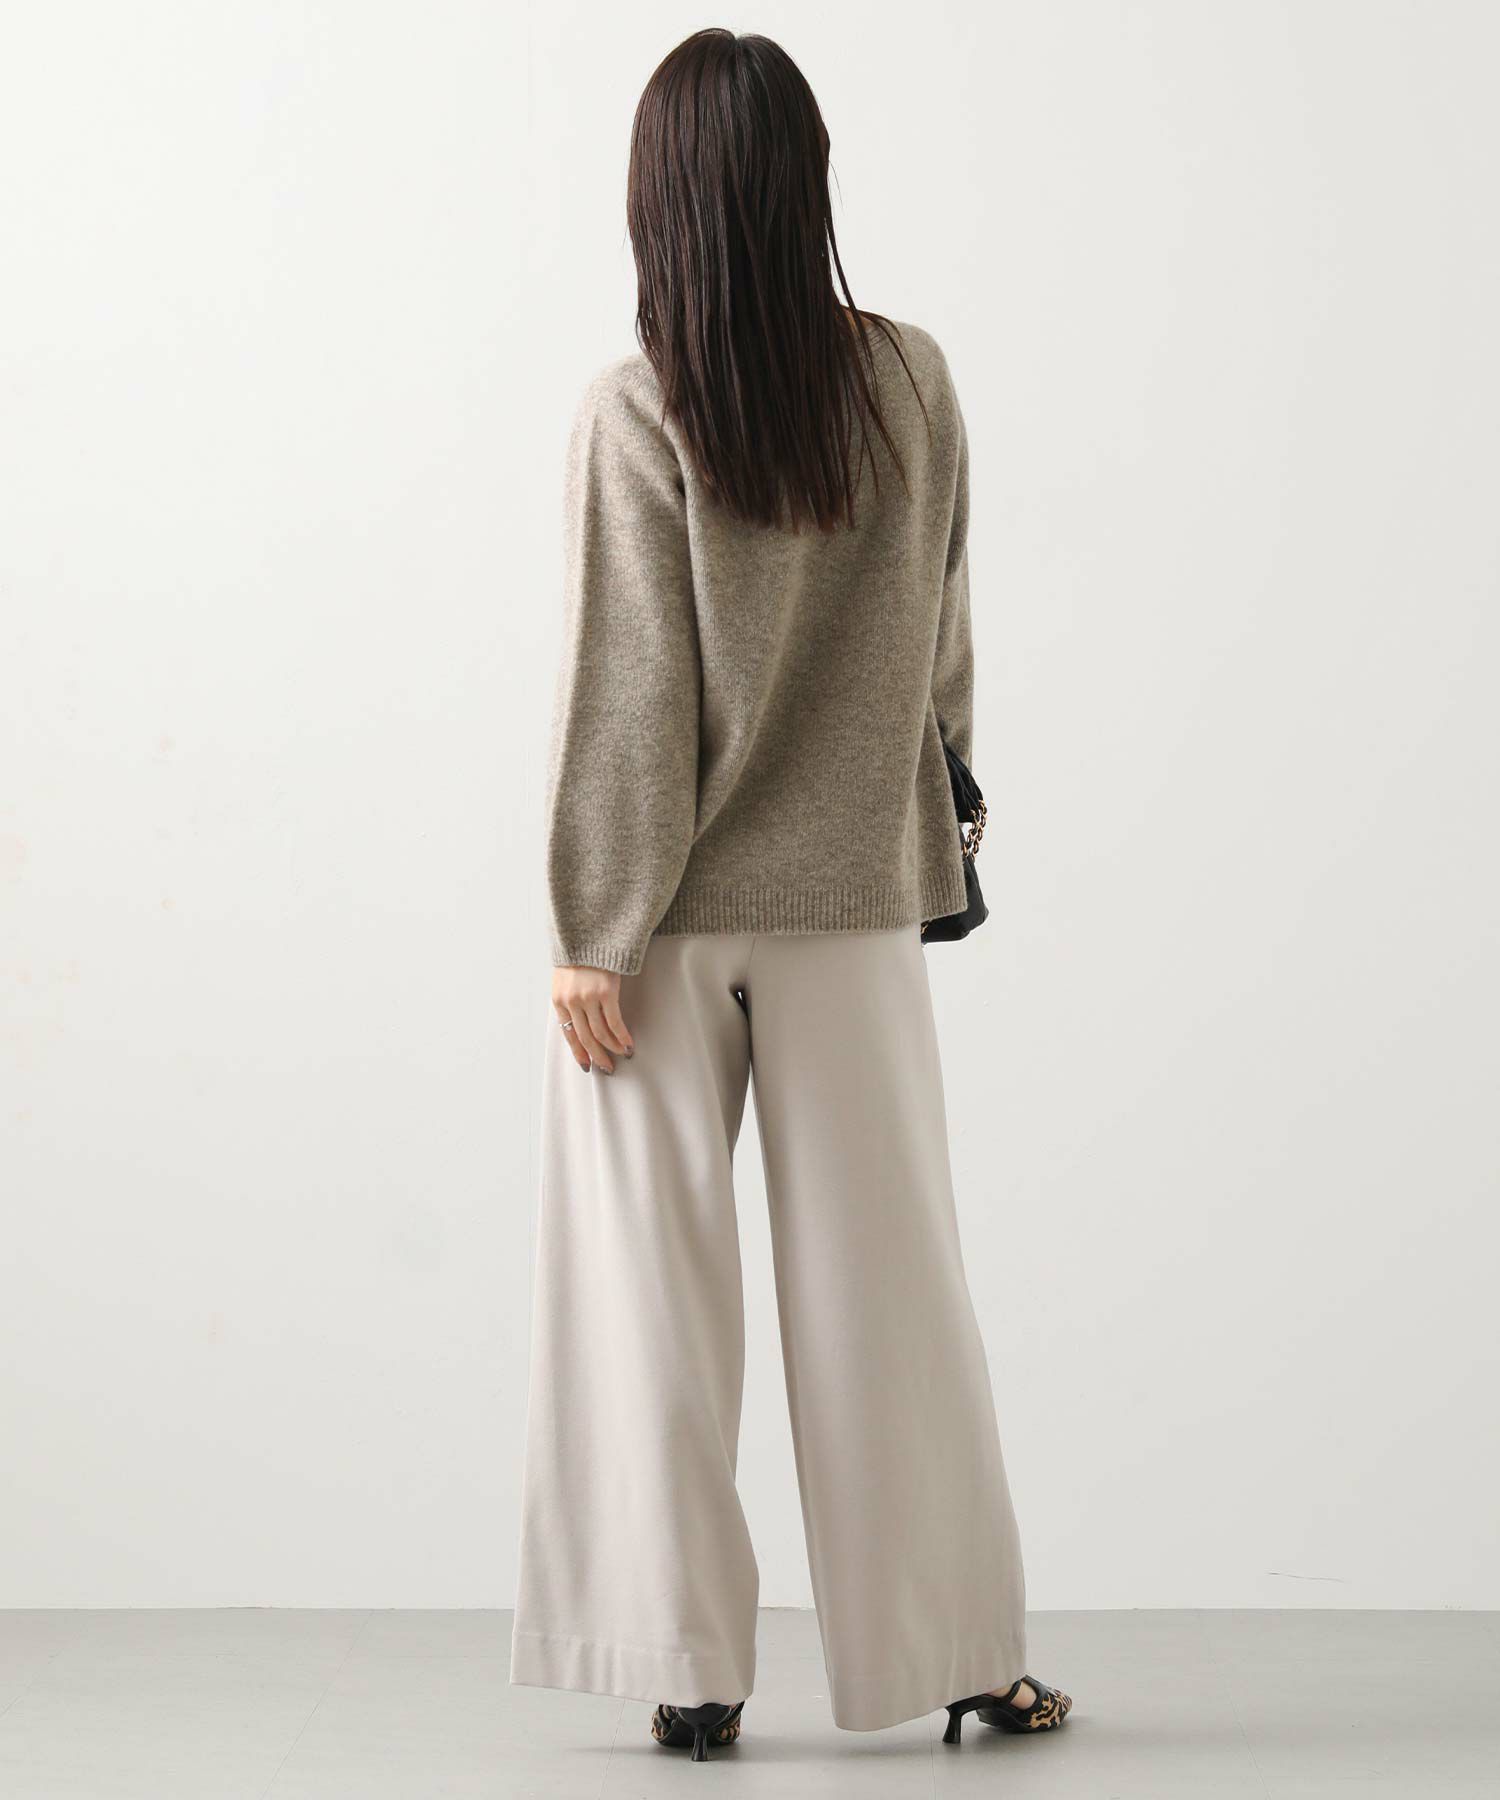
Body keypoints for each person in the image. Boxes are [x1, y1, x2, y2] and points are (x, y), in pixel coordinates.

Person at [509, 27, 1073, 1762]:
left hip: (663, 927)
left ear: (657, 201)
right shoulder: (912, 380)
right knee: (891, 1290)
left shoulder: (637, 406)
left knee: (646, 1299)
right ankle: (962, 1657)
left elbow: (629, 690)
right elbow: (942, 644)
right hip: (854, 905)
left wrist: (591, 927)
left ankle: (688, 1667)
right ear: (809, 179)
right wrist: (929, 823)